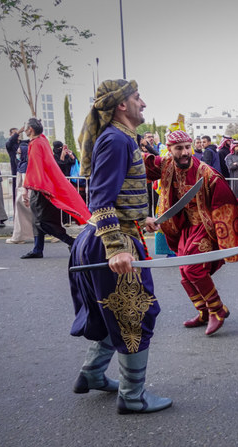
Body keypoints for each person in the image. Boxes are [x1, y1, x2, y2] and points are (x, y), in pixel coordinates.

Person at [70, 79, 171, 414]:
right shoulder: (116, 139)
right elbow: (100, 199)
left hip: (112, 235)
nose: (143, 103)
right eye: (138, 97)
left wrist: (143, 218)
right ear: (122, 105)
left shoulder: (122, 137)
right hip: (110, 240)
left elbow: (119, 191)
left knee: (112, 311)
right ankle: (132, 396)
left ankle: (93, 373)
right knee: (135, 315)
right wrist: (116, 248)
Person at [144, 130, 238, 334]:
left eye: (187, 147)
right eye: (178, 148)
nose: (184, 152)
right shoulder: (166, 165)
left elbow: (225, 204)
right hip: (184, 228)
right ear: (169, 150)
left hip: (205, 227)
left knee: (193, 270)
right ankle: (203, 311)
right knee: (184, 273)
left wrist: (225, 238)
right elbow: (138, 165)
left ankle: (217, 309)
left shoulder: (207, 173)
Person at [20, 119, 85, 259]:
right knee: (39, 220)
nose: (24, 129)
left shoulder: (36, 143)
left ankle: (72, 242)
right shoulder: (41, 140)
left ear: (30, 129)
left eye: (25, 127)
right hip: (44, 185)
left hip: (41, 187)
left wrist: (25, 188)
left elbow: (33, 167)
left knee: (43, 221)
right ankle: (37, 249)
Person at [5, 126, 24, 201]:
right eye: (15, 133)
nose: (17, 134)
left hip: (25, 169)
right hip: (16, 169)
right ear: (10, 134)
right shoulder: (9, 144)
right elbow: (10, 141)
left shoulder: (23, 143)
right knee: (16, 189)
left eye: (18, 132)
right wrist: (18, 132)